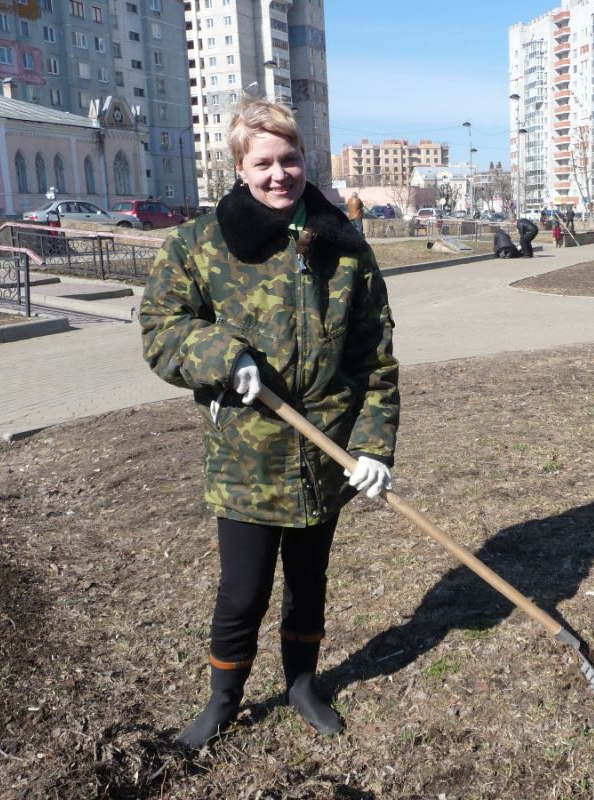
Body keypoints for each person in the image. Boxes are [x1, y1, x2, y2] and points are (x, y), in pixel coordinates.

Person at [139, 96, 399, 751]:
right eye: (263, 163)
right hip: (246, 457)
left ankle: (303, 685)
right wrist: (223, 357)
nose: (279, 174)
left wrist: (373, 447)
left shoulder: (343, 244)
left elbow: (375, 355)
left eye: (290, 159)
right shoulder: (200, 244)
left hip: (325, 454)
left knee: (309, 581)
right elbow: (161, 330)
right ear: (239, 167)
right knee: (243, 591)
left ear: (305, 159)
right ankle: (222, 701)